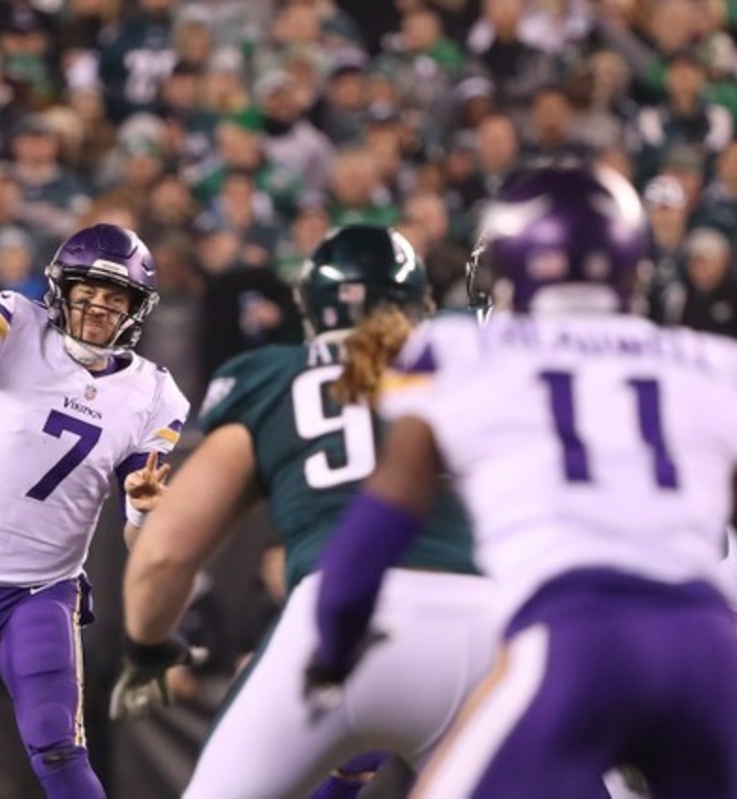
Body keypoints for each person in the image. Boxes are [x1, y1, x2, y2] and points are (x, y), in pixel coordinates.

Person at [310, 165, 737, 798]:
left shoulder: (458, 354)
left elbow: (375, 530)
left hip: (574, 635)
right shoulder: (711, 361)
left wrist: (335, 642)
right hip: (707, 648)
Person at [116, 225, 501, 798]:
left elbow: (164, 555)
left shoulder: (271, 377)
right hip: (483, 625)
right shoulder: (474, 364)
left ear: (309, 306)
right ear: (417, 302)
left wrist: (148, 648)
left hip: (336, 618)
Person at [0, 157, 189, 798]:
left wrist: (147, 510)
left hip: (41, 589)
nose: (99, 306)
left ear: (136, 308)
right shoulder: (16, 324)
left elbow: (141, 538)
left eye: (116, 297)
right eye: (88, 291)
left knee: (56, 746)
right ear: (61, 289)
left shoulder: (154, 395)